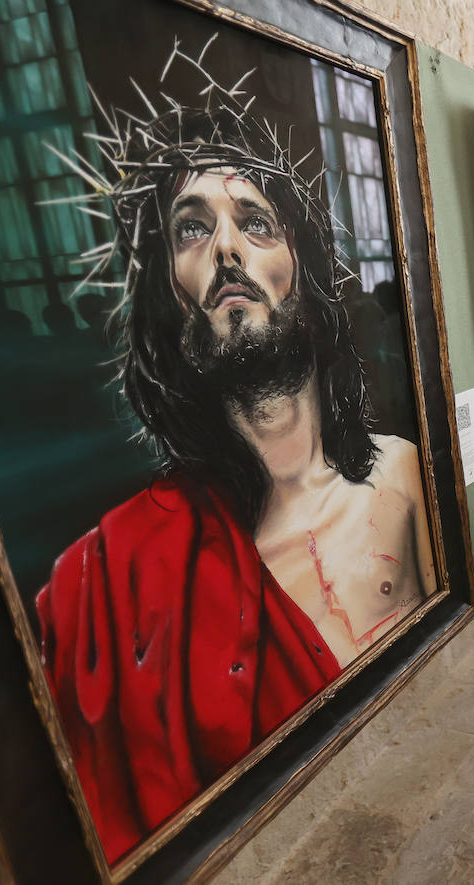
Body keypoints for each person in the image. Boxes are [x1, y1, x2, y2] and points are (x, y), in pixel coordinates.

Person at [35, 79, 436, 860]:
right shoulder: (117, 575)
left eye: (254, 222)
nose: (225, 249)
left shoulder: (402, 478)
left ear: (303, 270)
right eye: (192, 230)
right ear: (168, 292)